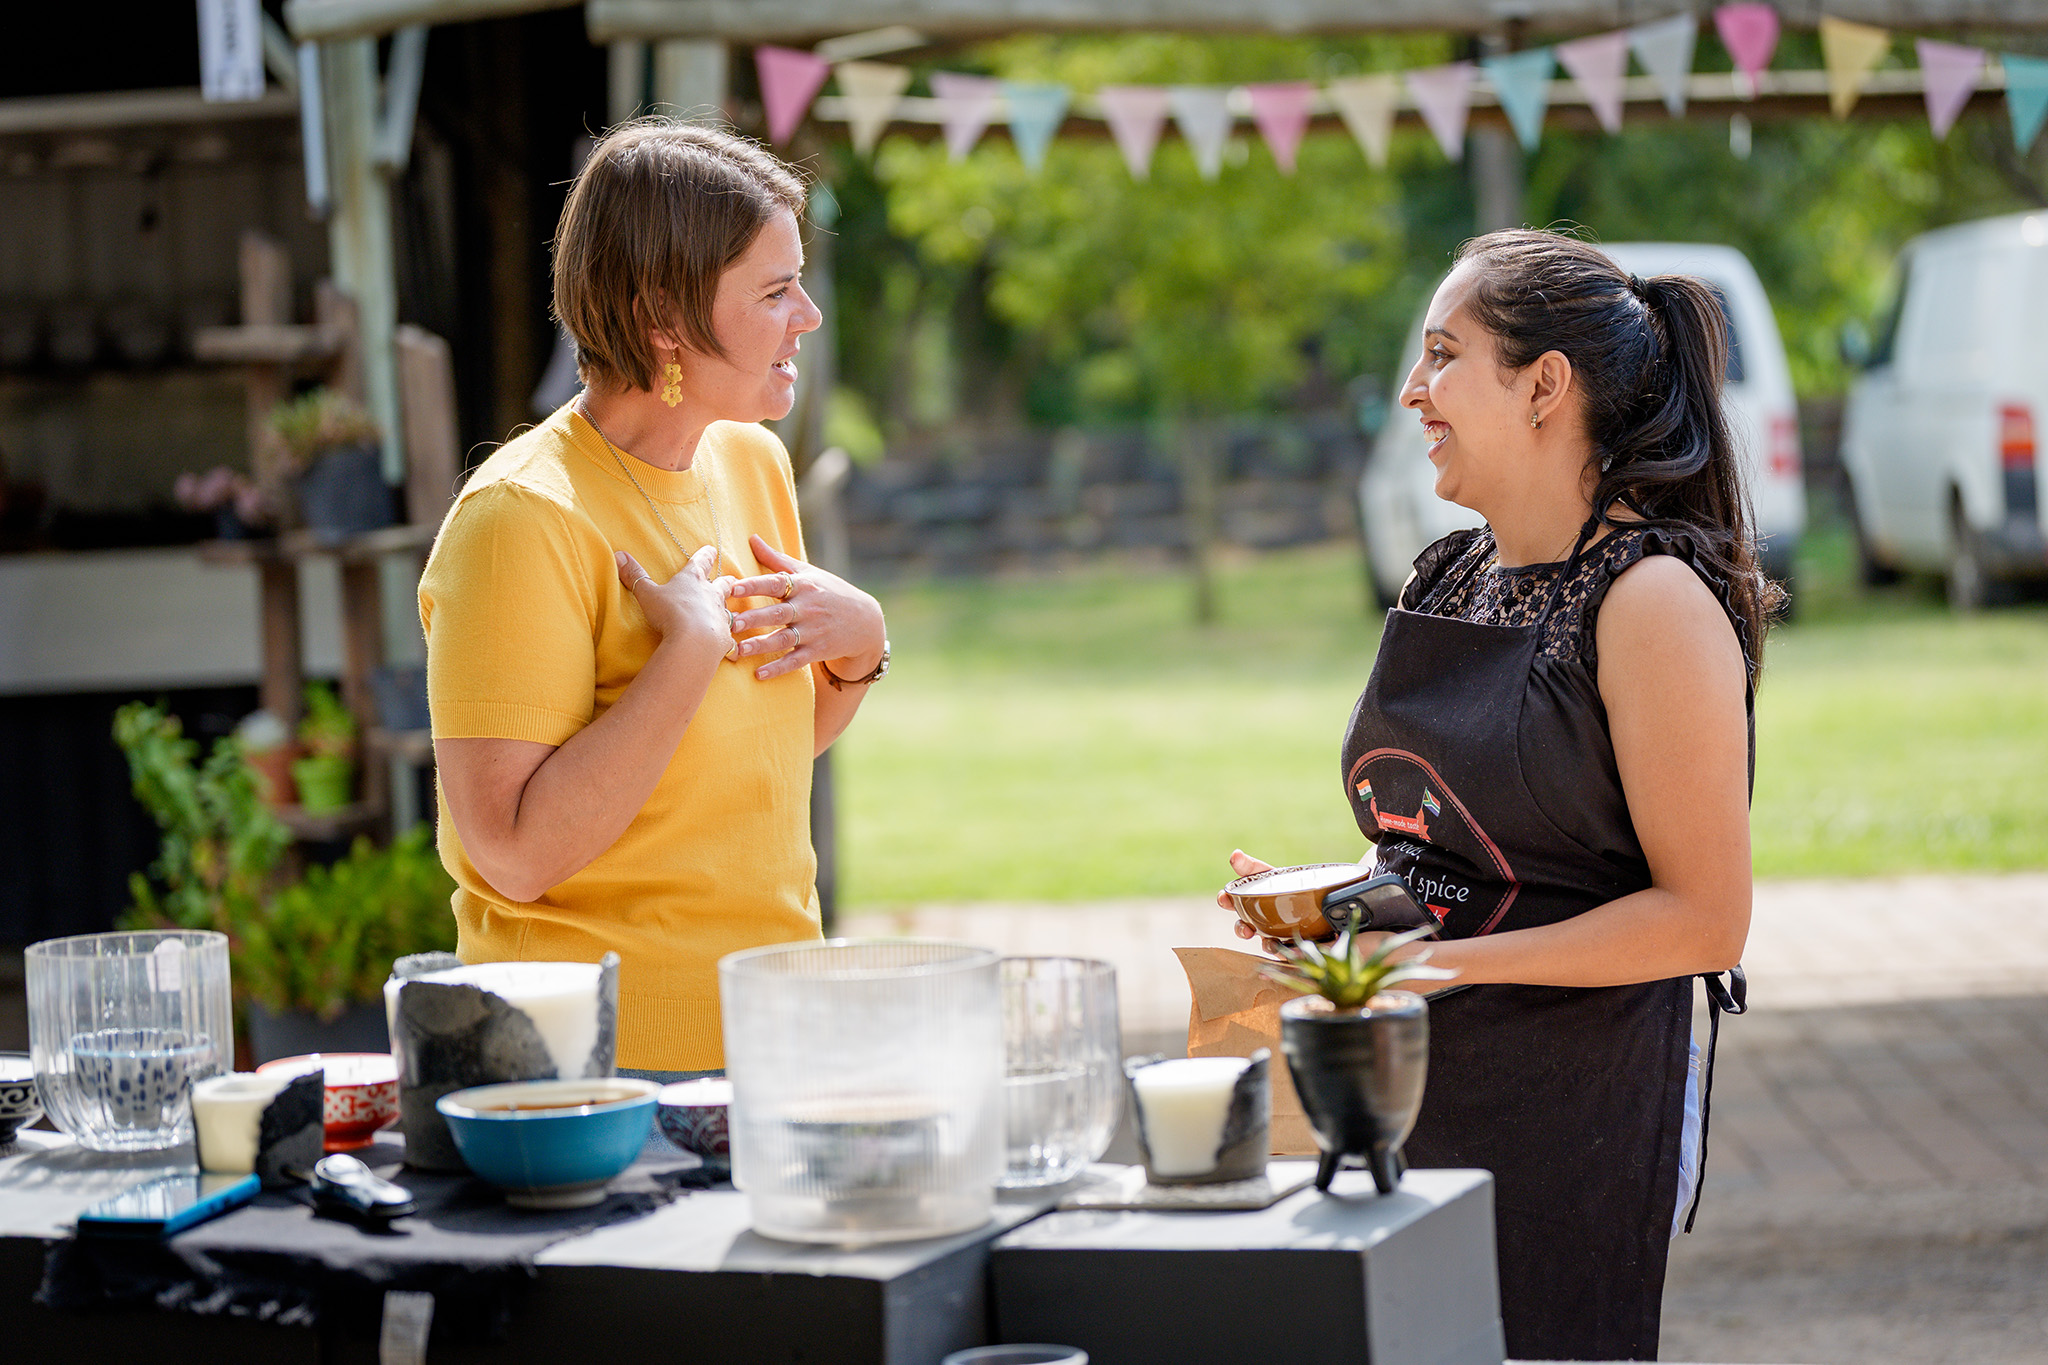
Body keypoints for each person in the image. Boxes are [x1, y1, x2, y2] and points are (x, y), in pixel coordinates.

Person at [1226, 229, 1775, 1361]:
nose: (1409, 391)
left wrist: (1438, 967)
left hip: (1562, 1117)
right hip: (1402, 1091)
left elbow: (1703, 919)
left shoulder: (1651, 603)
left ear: (1542, 387)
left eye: (1440, 356)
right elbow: (1445, 852)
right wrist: (1332, 908)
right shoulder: (1448, 572)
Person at [419, 120, 888, 1077]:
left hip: (769, 1036)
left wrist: (862, 647)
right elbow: (512, 852)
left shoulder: (751, 462)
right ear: (662, 319)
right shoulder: (520, 519)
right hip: (591, 1070)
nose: (809, 313)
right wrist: (684, 652)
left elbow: (735, 763)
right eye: (772, 291)